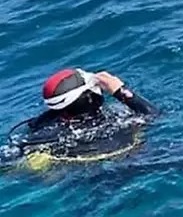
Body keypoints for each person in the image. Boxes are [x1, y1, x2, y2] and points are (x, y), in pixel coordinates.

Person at [4, 68, 158, 170]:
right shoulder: (112, 123)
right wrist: (120, 91)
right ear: (89, 98)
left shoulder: (42, 124)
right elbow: (153, 115)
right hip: (123, 166)